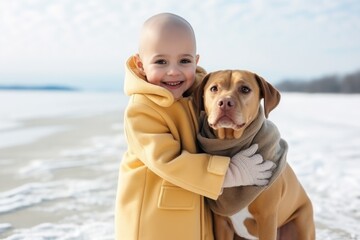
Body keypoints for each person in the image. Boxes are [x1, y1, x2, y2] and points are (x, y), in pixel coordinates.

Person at [115, 12, 274, 240]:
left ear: (196, 61)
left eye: (184, 61)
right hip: (154, 221)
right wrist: (231, 173)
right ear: (141, 65)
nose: (173, 71)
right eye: (161, 61)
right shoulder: (142, 110)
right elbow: (168, 161)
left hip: (195, 213)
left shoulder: (200, 94)